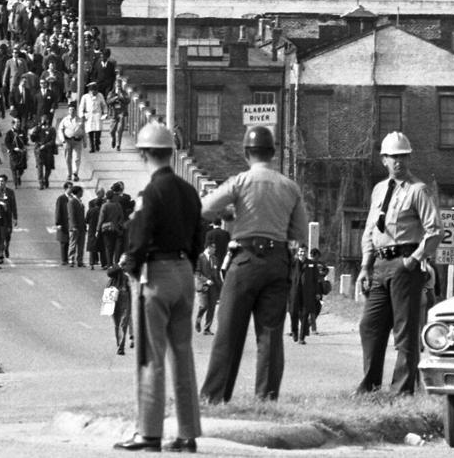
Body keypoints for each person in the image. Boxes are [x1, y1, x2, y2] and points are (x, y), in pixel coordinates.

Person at [198, 125, 309, 405]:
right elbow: (300, 233)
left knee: (228, 331)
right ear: (272, 152)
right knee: (270, 334)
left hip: (245, 259)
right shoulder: (289, 186)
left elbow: (205, 208)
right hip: (277, 261)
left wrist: (230, 214)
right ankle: (266, 399)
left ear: (247, 153)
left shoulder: (240, 182)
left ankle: (214, 397)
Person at [114, 123, 203, 453]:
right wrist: (188, 265)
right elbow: (199, 234)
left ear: (144, 153)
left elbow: (139, 238)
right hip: (184, 272)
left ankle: (149, 433)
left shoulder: (151, 193)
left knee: (151, 356)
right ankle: (187, 433)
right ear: (171, 152)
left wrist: (131, 266)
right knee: (183, 355)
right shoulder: (190, 191)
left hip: (157, 272)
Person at [354, 131, 441, 397]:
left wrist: (413, 261)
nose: (398, 162)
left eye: (403, 156)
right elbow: (370, 229)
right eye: (393, 157)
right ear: (384, 160)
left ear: (409, 157)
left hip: (405, 264)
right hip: (380, 263)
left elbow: (435, 230)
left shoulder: (418, 190)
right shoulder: (380, 189)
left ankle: (401, 392)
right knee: (369, 325)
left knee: (405, 332)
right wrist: (365, 266)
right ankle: (369, 387)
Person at [288, 246, 327, 344]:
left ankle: (302, 338)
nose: (302, 253)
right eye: (301, 251)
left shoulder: (312, 264)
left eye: (304, 252)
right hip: (294, 293)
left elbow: (316, 280)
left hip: (307, 293)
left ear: (307, 253)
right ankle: (294, 331)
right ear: (298, 252)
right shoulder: (292, 264)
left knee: (305, 314)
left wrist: (317, 292)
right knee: (293, 313)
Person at [194, 242, 221, 335]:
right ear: (208, 248)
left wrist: (221, 286)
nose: (215, 250)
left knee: (212, 307)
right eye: (213, 248)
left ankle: (207, 329)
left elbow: (216, 274)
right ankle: (198, 320)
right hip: (203, 285)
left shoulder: (215, 258)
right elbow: (197, 273)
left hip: (213, 286)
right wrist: (206, 280)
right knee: (204, 305)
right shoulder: (200, 258)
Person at [77, 80, 107, 153]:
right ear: (90, 91)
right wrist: (81, 115)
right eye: (93, 91)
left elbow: (104, 105)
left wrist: (105, 113)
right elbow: (81, 107)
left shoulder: (100, 95)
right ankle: (92, 147)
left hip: (97, 115)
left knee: (97, 131)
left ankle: (97, 143)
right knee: (90, 132)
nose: (94, 93)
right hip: (89, 115)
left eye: (95, 91)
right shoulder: (85, 97)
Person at [57, 109, 84, 181]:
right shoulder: (65, 120)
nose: (72, 112)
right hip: (68, 140)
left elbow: (84, 131)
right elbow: (60, 130)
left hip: (77, 141)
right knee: (68, 158)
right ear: (68, 111)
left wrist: (85, 142)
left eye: (73, 110)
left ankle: (75, 173)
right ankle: (69, 174)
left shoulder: (80, 120)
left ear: (75, 111)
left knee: (77, 158)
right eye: (70, 110)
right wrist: (62, 140)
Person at [53, 181, 72, 265]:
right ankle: (64, 260)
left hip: (71, 223)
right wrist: (58, 223)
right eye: (70, 188)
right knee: (64, 242)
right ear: (65, 189)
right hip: (63, 223)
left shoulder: (72, 198)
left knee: (70, 242)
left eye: (72, 187)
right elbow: (58, 211)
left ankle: (70, 258)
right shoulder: (61, 198)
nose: (71, 189)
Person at [67, 185, 86, 267]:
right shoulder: (72, 202)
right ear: (78, 192)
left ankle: (80, 260)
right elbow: (71, 215)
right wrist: (74, 226)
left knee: (81, 245)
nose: (82, 193)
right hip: (75, 227)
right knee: (73, 243)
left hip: (82, 227)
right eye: (81, 191)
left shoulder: (79, 201)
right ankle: (71, 259)